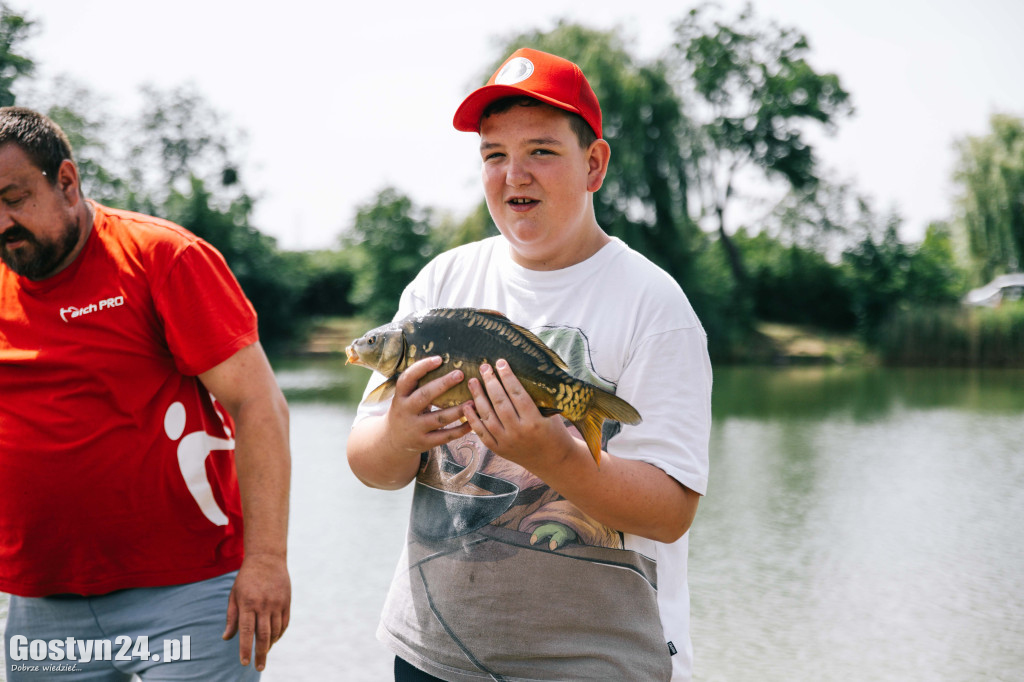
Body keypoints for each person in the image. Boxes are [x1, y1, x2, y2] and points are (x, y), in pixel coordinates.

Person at [347, 48, 712, 681]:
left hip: (591, 662)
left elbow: (670, 510)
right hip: (433, 650)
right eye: (494, 155)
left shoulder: (655, 305)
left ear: (594, 164)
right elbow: (370, 465)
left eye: (541, 150)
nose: (514, 173)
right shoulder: (442, 283)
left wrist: (555, 456)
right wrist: (400, 434)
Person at [0, 107, 291, 680]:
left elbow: (259, 406)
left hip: (187, 593)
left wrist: (265, 561)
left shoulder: (164, 257)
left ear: (66, 181)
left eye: (12, 197)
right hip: (42, 602)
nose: (0, 221)